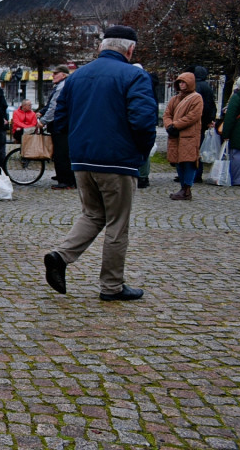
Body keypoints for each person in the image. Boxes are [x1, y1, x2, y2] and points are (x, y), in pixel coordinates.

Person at [43, 25, 156, 301]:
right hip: (118, 160)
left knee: (92, 214)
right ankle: (112, 286)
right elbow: (143, 121)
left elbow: (61, 120)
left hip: (83, 160)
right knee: (118, 224)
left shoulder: (76, 77)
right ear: (130, 49)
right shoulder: (134, 76)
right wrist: (140, 155)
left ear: (101, 47)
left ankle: (61, 256)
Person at [164, 72, 204, 200]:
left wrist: (175, 125)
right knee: (178, 162)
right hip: (175, 136)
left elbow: (193, 116)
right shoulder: (174, 99)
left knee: (189, 162)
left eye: (184, 82)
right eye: (180, 82)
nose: (182, 85)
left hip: (189, 136)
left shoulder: (196, 98)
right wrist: (169, 126)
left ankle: (186, 188)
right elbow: (167, 114)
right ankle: (183, 187)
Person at [37, 64, 75, 189]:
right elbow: (50, 104)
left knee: (61, 153)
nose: (53, 76)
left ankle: (65, 181)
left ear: (63, 75)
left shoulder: (62, 87)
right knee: (63, 152)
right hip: (64, 124)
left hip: (61, 125)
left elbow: (55, 107)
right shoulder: (62, 85)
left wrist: (43, 121)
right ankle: (65, 178)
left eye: (56, 73)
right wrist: (42, 111)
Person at [186, 65, 216, 183]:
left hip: (196, 121)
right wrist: (210, 119)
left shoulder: (196, 87)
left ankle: (194, 173)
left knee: (193, 148)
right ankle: (197, 173)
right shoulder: (207, 87)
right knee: (199, 147)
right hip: (203, 121)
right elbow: (210, 105)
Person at [219, 75, 240, 185]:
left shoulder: (237, 97)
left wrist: (225, 134)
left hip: (238, 132)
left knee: (236, 156)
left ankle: (237, 179)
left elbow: (230, 117)